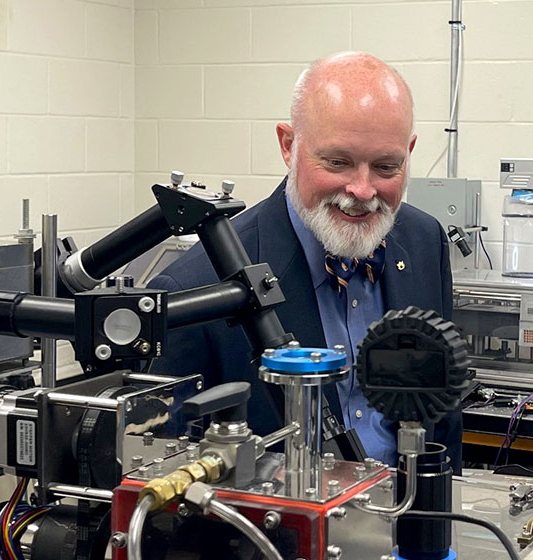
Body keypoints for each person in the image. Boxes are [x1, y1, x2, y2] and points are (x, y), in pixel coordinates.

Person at [151, 52, 461, 471]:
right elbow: (168, 469)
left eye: (387, 167)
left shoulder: (424, 241)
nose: (363, 190)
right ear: (288, 145)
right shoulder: (197, 287)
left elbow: (441, 413)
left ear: (409, 153)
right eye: (338, 162)